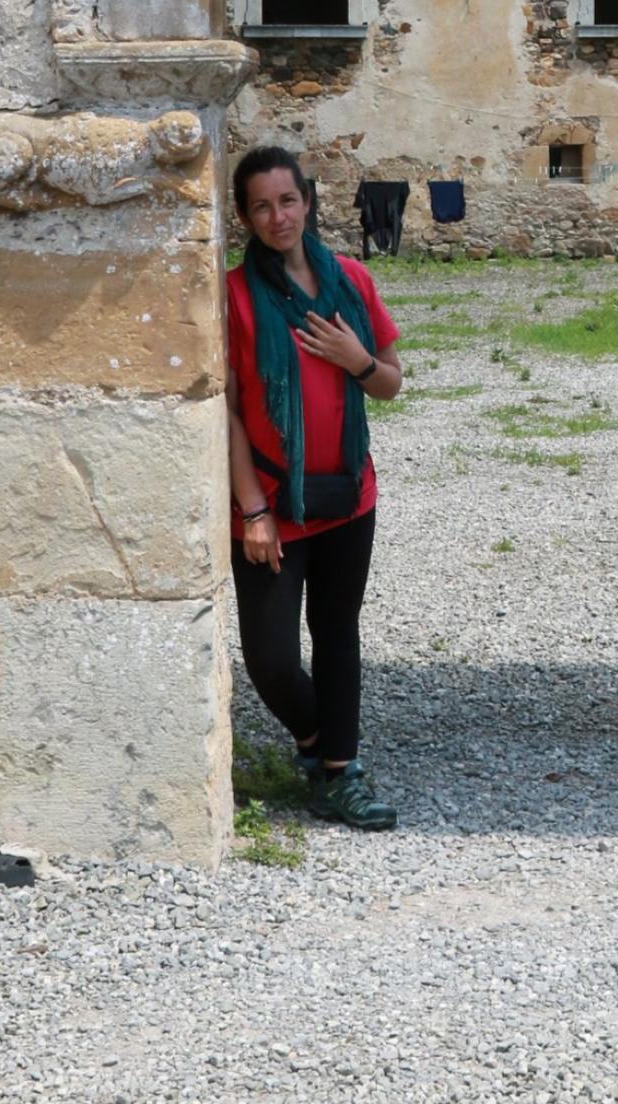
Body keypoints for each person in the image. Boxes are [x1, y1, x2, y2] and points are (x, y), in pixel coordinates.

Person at [227, 146, 404, 831]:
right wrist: (254, 511)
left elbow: (390, 382)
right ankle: (316, 742)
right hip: (274, 505)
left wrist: (355, 359)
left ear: (308, 202)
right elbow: (233, 411)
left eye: (289, 200)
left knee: (337, 637)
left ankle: (340, 774)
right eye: (263, 206)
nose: (279, 216)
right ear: (245, 216)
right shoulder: (234, 296)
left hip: (348, 496)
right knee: (269, 657)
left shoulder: (351, 281)